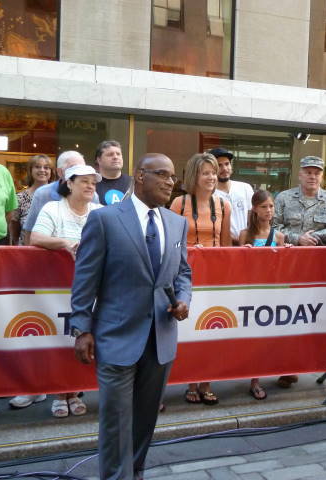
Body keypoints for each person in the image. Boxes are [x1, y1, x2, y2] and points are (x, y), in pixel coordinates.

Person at [69, 153, 191, 480]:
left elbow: (183, 272)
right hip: (115, 336)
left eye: (172, 176)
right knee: (115, 421)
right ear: (139, 176)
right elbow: (85, 278)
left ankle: (134, 471)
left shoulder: (177, 222)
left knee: (145, 418)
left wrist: (183, 298)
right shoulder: (106, 219)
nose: (170, 182)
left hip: (160, 337)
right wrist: (81, 328)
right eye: (162, 175)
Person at [31, 164, 103, 417]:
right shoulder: (53, 207)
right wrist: (64, 243)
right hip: (55, 291)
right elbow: (36, 238)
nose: (90, 186)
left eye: (93, 182)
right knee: (60, 341)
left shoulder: (99, 210)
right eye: (84, 181)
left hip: (90, 291)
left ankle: (76, 390)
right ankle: (60, 393)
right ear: (69, 183)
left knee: (83, 340)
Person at [273, 155, 326, 388]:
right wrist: (297, 238)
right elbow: (272, 227)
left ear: (322, 176)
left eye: (317, 172)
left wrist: (314, 238)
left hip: (317, 270)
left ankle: (312, 361)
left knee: (314, 317)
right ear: (300, 174)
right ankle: (287, 366)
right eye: (308, 172)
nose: (313, 176)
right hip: (287, 269)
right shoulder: (283, 198)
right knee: (286, 317)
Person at [170, 152, 231, 405]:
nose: (211, 177)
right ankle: (190, 382)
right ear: (194, 175)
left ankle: (206, 382)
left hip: (214, 276)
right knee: (189, 330)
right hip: (185, 275)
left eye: (214, 172)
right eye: (205, 172)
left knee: (210, 329)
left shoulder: (223, 205)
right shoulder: (179, 204)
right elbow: (172, 244)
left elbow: (227, 244)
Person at [238, 190, 288, 401]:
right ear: (254, 209)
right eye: (264, 206)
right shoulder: (244, 234)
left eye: (271, 206)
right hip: (250, 292)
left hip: (270, 292)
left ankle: (257, 379)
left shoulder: (278, 236)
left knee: (265, 339)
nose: (269, 211)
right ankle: (252, 379)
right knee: (250, 340)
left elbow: (283, 267)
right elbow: (238, 266)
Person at [22, 150, 98, 245]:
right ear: (60, 172)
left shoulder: (93, 197)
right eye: (74, 167)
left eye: (93, 183)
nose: (90, 186)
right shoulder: (43, 195)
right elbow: (30, 231)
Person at [211, 147, 254, 245]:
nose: (225, 169)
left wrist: (247, 239)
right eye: (219, 165)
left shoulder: (245, 187)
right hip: (221, 246)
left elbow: (252, 218)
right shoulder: (209, 194)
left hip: (246, 245)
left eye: (227, 164)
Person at [9, 154, 54, 246]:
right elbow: (14, 227)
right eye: (37, 167)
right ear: (30, 170)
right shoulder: (20, 198)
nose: (42, 170)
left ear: (51, 172)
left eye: (46, 168)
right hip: (26, 250)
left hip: (53, 250)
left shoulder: (57, 197)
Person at [94, 140, 131, 205]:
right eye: (110, 155)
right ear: (99, 160)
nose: (115, 157)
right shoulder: (92, 184)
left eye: (118, 154)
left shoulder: (133, 183)